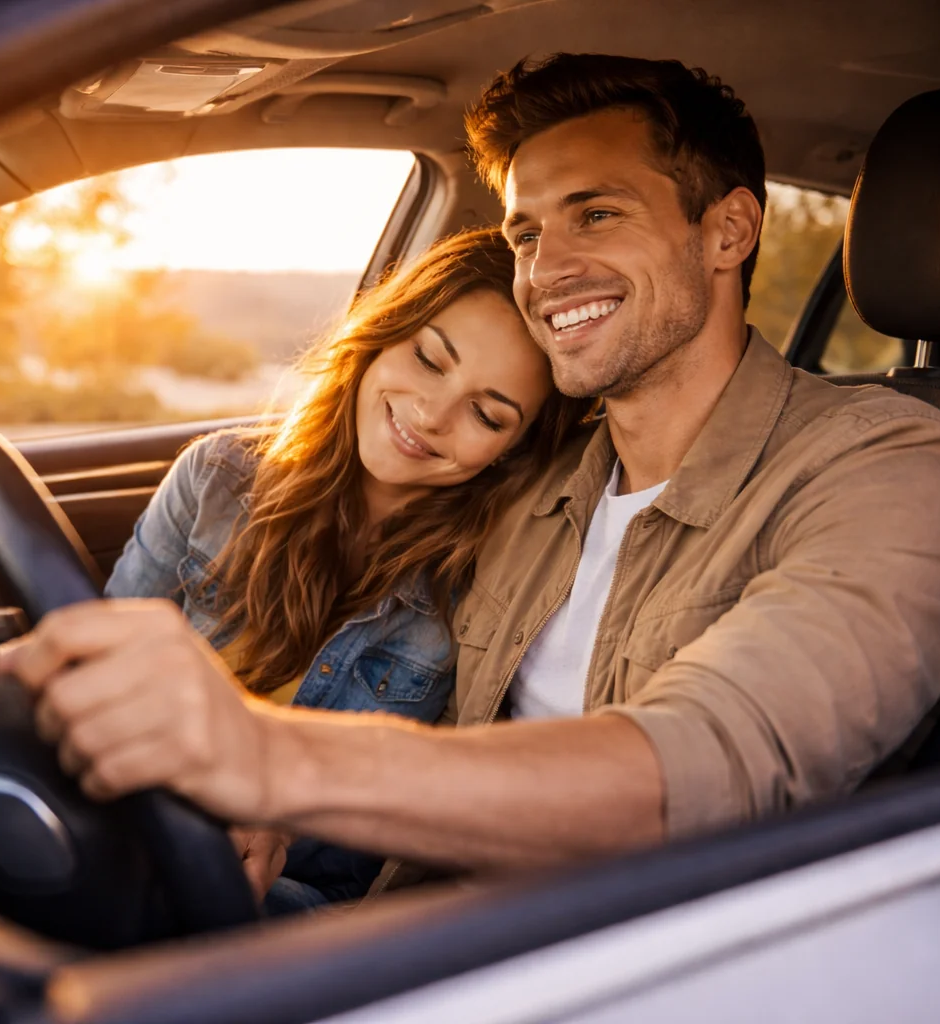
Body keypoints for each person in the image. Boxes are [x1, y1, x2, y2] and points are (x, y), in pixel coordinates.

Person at [0, 54, 940, 896]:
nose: (546, 270)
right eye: (527, 234)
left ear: (728, 231)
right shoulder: (530, 491)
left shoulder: (887, 469)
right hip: (403, 926)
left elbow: (704, 769)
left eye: (597, 214)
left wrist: (269, 761)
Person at [100, 225, 594, 911]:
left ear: (513, 450)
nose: (431, 415)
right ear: (383, 335)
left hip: (298, 903)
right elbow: (98, 672)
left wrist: (278, 806)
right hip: (132, 827)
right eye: (428, 359)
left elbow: (434, 816)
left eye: (486, 414)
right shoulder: (214, 479)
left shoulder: (487, 588)